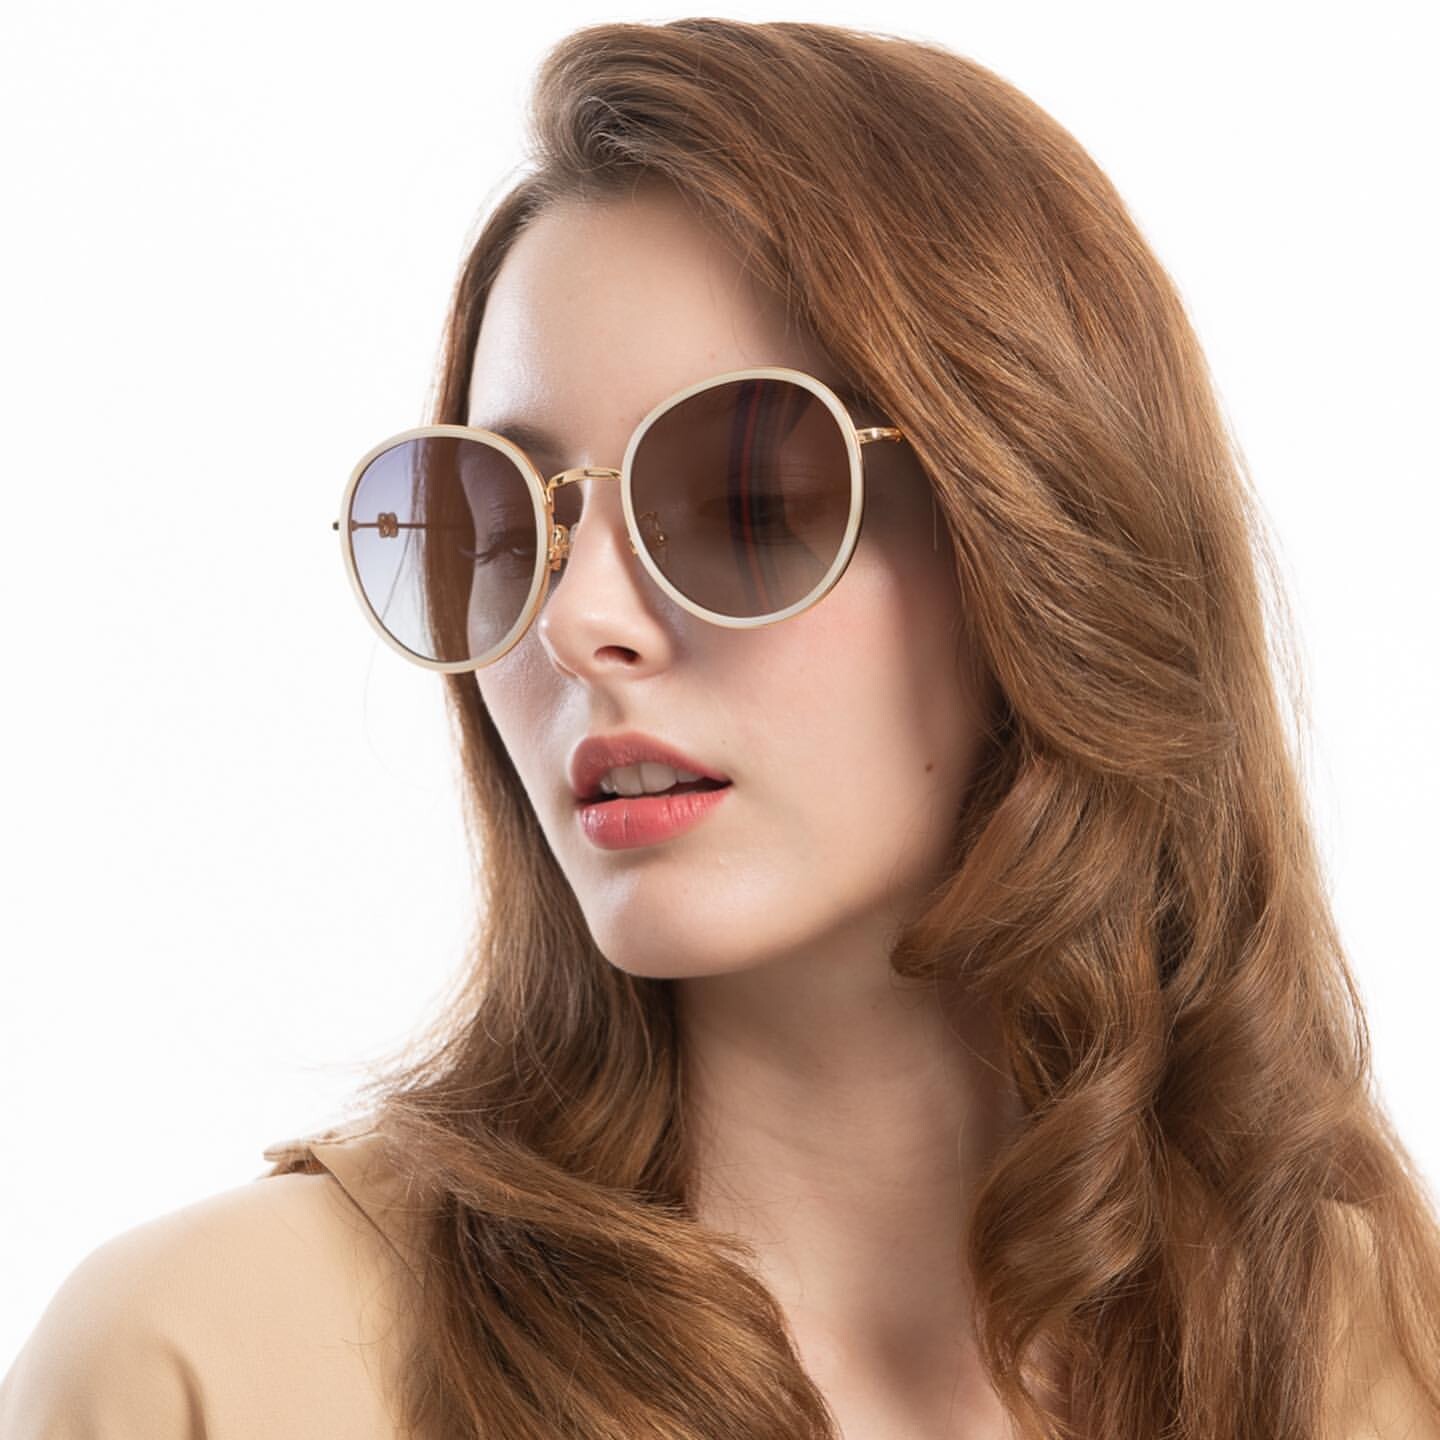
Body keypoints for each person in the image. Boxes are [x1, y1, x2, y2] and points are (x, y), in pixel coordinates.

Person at [3, 17, 1438, 1440]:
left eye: (749, 502)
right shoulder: (216, 1368)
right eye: (505, 524)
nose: (576, 623)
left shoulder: (1380, 1355)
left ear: (1042, 547)